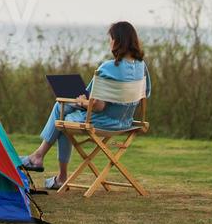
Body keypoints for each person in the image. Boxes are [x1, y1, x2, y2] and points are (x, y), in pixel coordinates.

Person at [20, 21, 151, 190]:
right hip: (125, 122)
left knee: (62, 115)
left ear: (118, 41)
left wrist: (82, 102)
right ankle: (42, 161)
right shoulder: (142, 66)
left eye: (110, 39)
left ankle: (47, 165)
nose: (109, 43)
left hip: (104, 121)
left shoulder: (109, 67)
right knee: (62, 112)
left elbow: (97, 106)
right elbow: (144, 94)